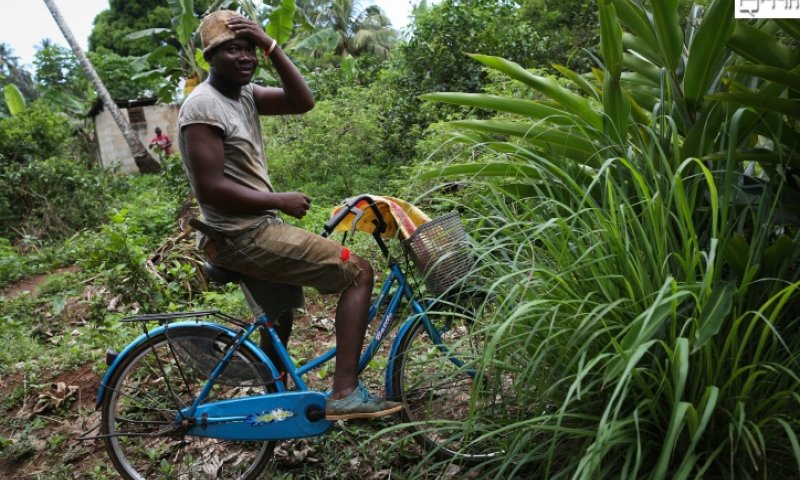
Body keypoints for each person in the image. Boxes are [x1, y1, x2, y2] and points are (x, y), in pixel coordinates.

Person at [177, 10, 402, 420]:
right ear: (210, 57)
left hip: (253, 228)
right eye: (232, 50)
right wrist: (277, 200)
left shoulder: (243, 94)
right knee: (359, 271)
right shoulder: (203, 106)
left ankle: (277, 405)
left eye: (249, 49)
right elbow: (209, 188)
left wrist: (271, 44)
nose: (245, 57)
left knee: (277, 317)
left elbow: (303, 101)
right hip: (240, 234)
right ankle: (345, 392)